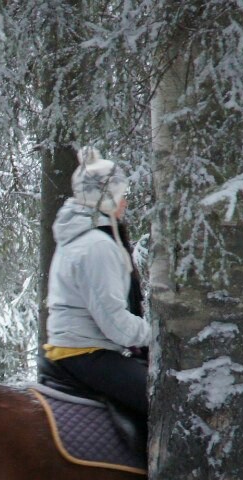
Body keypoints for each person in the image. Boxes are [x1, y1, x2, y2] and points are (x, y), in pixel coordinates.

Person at [39, 147, 149, 421]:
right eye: (120, 195)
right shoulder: (97, 246)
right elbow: (115, 325)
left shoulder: (79, 240)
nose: (124, 203)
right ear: (105, 198)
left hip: (74, 352)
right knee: (169, 398)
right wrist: (158, 335)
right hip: (87, 355)